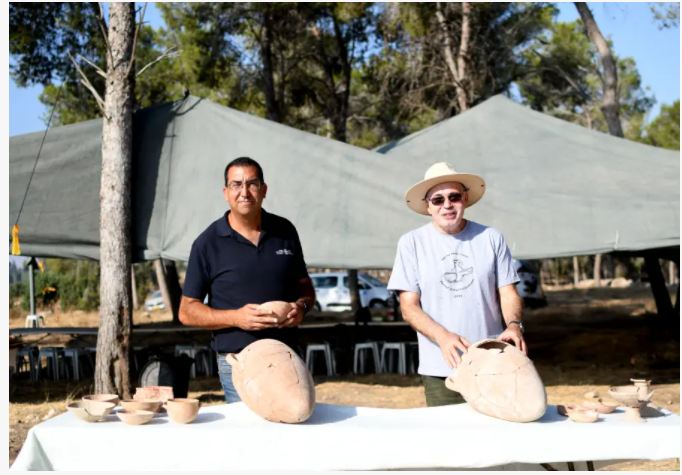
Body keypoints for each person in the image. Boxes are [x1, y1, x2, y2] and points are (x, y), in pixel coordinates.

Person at [387, 162, 526, 407]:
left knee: (497, 438)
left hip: (492, 362)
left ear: (466, 198)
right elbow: (408, 307)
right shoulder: (412, 243)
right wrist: (442, 337)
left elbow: (508, 293)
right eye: (438, 200)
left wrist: (514, 325)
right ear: (428, 206)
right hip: (442, 367)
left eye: (454, 197)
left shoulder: (491, 238)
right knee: (447, 441)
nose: (447, 205)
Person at [179, 157, 316, 403]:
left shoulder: (285, 231)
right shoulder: (207, 244)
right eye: (236, 184)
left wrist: (302, 307)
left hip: (286, 355)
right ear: (225, 193)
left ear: (264, 190)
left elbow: (304, 285)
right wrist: (237, 318)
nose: (244, 192)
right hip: (239, 361)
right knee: (247, 435)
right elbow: (187, 311)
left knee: (291, 432)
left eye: (252, 184)